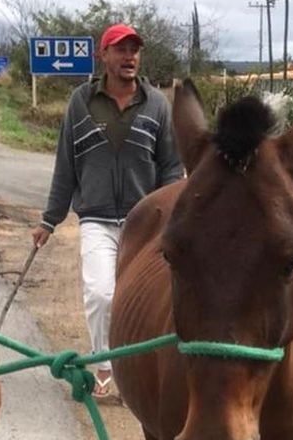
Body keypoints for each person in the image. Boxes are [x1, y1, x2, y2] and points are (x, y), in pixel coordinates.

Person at [32, 24, 183, 400]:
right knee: (102, 295)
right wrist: (49, 219)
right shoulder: (80, 102)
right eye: (121, 50)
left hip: (145, 222)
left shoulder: (157, 105)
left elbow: (171, 168)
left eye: (134, 50)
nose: (129, 56)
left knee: (149, 299)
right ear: (104, 56)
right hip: (97, 218)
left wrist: (172, 216)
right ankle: (104, 366)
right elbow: (65, 165)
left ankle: (141, 368)